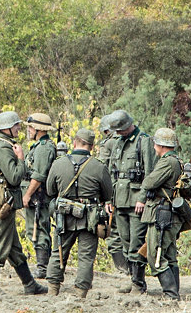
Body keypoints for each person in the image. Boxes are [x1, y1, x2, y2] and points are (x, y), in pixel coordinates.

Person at [0, 111, 47, 295]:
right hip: (2, 203)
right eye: (16, 125)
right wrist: (20, 158)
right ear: (7, 128)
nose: (19, 128)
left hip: (5, 201)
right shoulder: (3, 148)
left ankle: (29, 284)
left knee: (14, 247)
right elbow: (15, 177)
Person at [44, 128, 114, 298]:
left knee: (58, 251)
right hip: (89, 219)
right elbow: (108, 194)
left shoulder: (58, 163)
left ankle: (52, 290)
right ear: (92, 146)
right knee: (86, 256)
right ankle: (80, 293)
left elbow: (49, 190)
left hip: (64, 216)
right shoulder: (98, 166)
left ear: (74, 142)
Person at [104, 109, 155, 294]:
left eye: (120, 130)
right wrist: (109, 199)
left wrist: (143, 198)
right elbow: (111, 172)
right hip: (119, 199)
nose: (118, 133)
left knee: (136, 242)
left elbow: (150, 173)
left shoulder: (144, 141)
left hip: (136, 202)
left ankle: (138, 284)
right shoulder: (117, 143)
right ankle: (132, 279)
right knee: (124, 241)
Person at [135, 126, 183, 300]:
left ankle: (171, 294)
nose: (154, 147)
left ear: (161, 145)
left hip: (161, 213)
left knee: (155, 256)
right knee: (169, 255)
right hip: (169, 213)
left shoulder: (167, 162)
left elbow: (149, 182)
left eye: (155, 144)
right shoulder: (176, 160)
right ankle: (173, 293)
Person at [22, 112, 57, 278]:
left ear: (38, 129)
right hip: (38, 196)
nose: (28, 130)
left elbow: (38, 176)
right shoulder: (39, 146)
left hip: (39, 197)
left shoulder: (43, 148)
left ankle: (43, 268)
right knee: (37, 229)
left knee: (38, 229)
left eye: (30, 127)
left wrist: (27, 195)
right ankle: (45, 266)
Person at [97, 115, 130, 275]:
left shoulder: (108, 144)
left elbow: (101, 170)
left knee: (113, 233)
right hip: (130, 195)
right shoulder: (130, 141)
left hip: (113, 194)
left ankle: (122, 269)